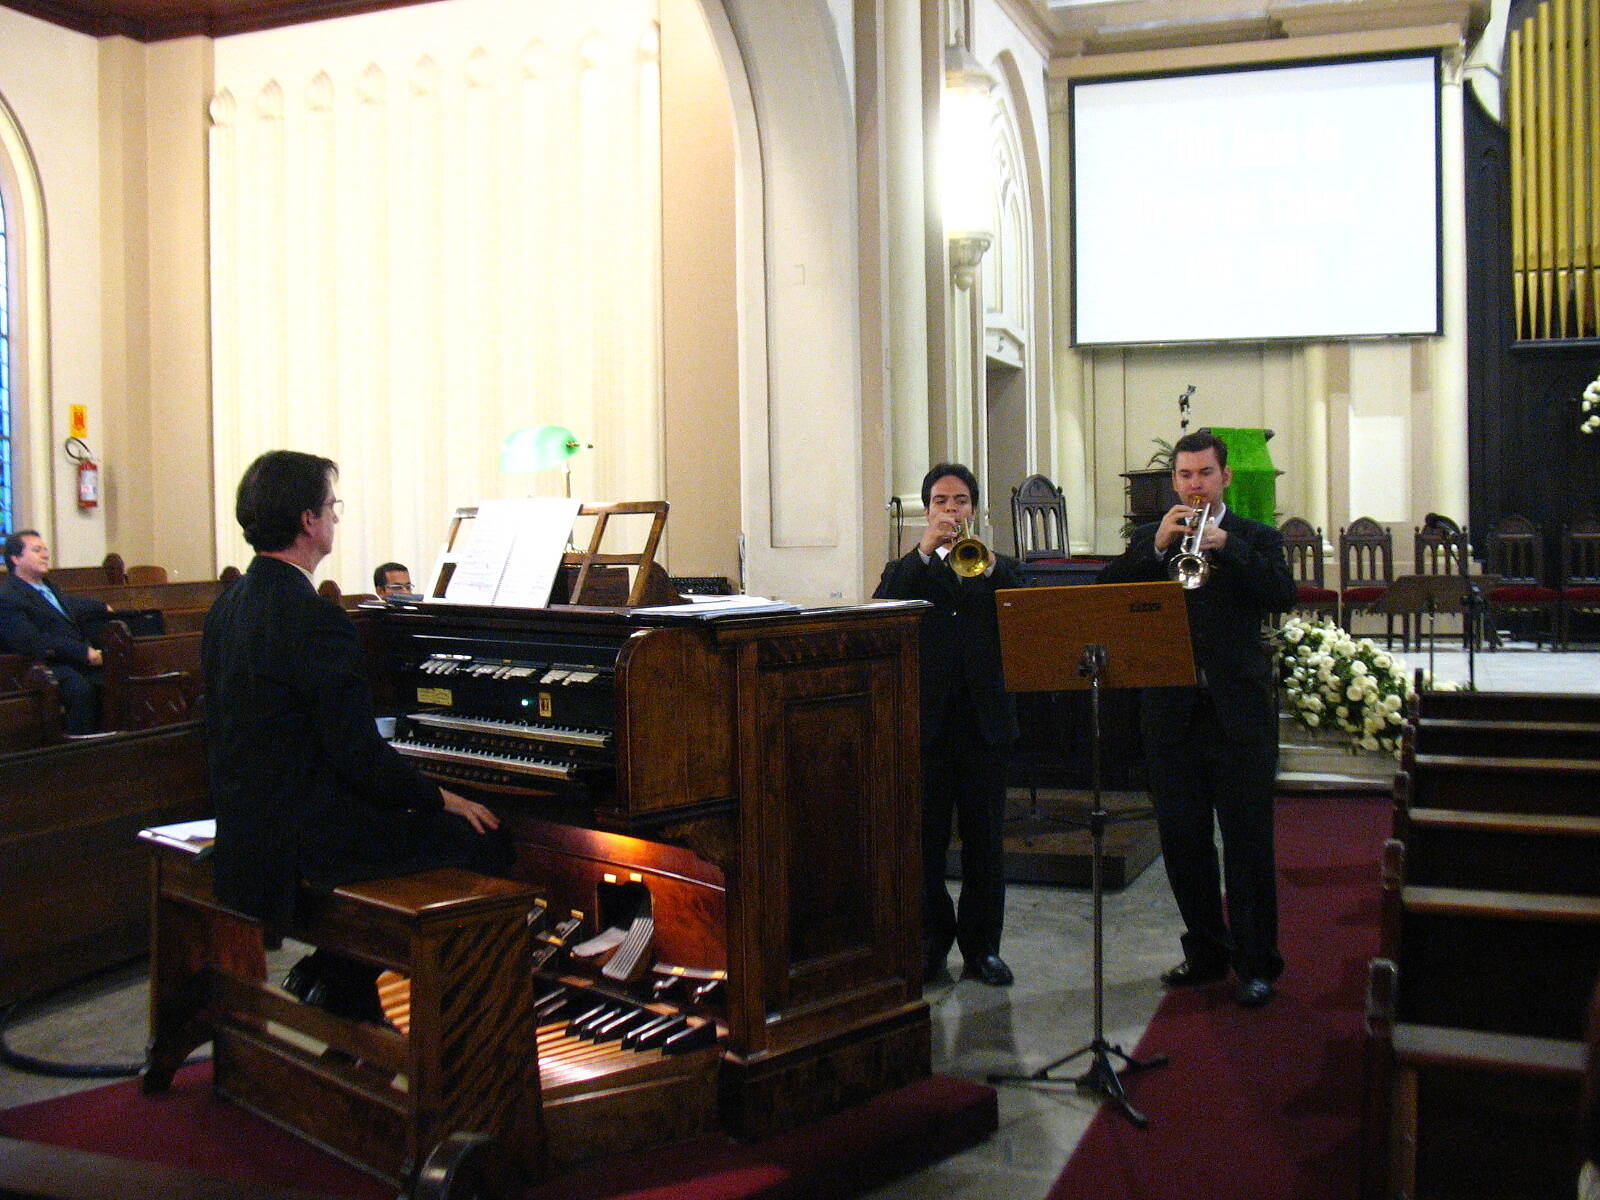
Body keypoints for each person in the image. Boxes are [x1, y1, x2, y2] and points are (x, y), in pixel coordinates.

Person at [203, 450, 510, 1021]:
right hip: (309, 842)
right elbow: (357, 755)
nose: (336, 517)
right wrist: (442, 796)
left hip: (251, 829)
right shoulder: (316, 618)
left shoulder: (229, 606)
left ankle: (338, 977)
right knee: (485, 836)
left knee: (428, 821)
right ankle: (460, 1025)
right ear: (308, 521)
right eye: (331, 506)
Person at [1098, 429, 1296, 1007]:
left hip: (1238, 715)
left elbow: (1281, 595)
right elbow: (1107, 594)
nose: (1194, 485)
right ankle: (1206, 951)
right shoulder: (1152, 539)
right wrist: (1155, 549)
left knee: (1248, 844)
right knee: (1184, 843)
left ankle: (1256, 963)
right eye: (1184, 475)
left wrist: (1227, 546)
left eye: (1204, 474)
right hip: (1171, 715)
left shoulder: (1256, 537)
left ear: (1224, 477)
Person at [874, 463, 1023, 986]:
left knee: (985, 845)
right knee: (925, 843)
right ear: (927, 510)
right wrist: (922, 551)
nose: (951, 510)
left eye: (960, 501)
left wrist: (992, 568)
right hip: (928, 725)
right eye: (941, 501)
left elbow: (1023, 616)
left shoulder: (998, 567)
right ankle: (929, 944)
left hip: (985, 725)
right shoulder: (907, 568)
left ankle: (983, 950)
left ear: (974, 509)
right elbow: (883, 606)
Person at [0, 531, 112, 733]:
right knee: (80, 688)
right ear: (16, 558)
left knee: (117, 679)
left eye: (45, 549)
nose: (45, 555)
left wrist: (102, 607)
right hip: (41, 664)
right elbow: (29, 640)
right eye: (37, 550)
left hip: (70, 659)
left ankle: (116, 739)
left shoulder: (48, 588)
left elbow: (69, 606)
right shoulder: (8, 596)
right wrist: (81, 651)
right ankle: (79, 746)